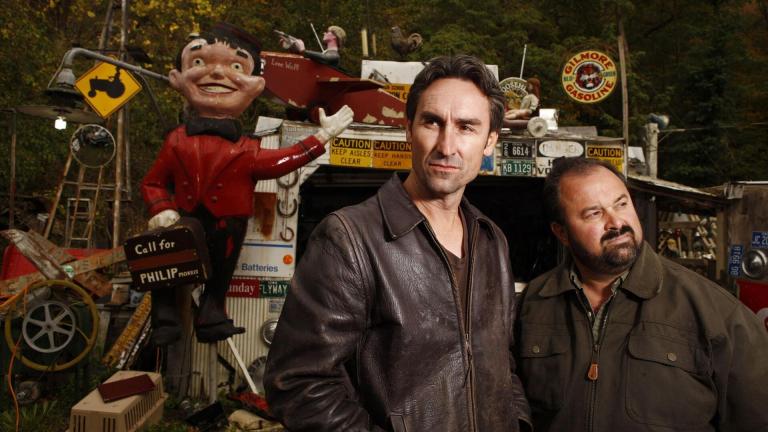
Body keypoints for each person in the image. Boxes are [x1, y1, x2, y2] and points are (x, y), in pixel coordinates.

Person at [264, 55, 531, 431]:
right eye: (432, 122)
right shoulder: (349, 239)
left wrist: (517, 421)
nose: (446, 145)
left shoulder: (491, 240)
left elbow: (502, 360)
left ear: (490, 141)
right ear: (408, 130)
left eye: (466, 127)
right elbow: (298, 385)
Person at [515, 157, 768, 431]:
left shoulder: (717, 312)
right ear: (561, 233)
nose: (616, 222)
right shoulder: (532, 304)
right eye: (594, 213)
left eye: (621, 204)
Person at [141, 23, 353, 345]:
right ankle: (166, 319)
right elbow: (153, 182)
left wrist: (322, 136)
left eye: (237, 67)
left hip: (229, 224)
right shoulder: (176, 141)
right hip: (183, 218)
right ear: (176, 78)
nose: (216, 73)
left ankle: (212, 315)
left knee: (221, 274)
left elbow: (281, 161)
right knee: (165, 262)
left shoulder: (247, 149)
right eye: (198, 62)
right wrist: (161, 208)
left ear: (256, 86)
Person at [279, 25, 346, 67]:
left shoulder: (334, 55)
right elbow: (306, 57)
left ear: (335, 36)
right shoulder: (326, 54)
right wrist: (291, 46)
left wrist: (303, 50)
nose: (324, 33)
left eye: (328, 32)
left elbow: (325, 57)